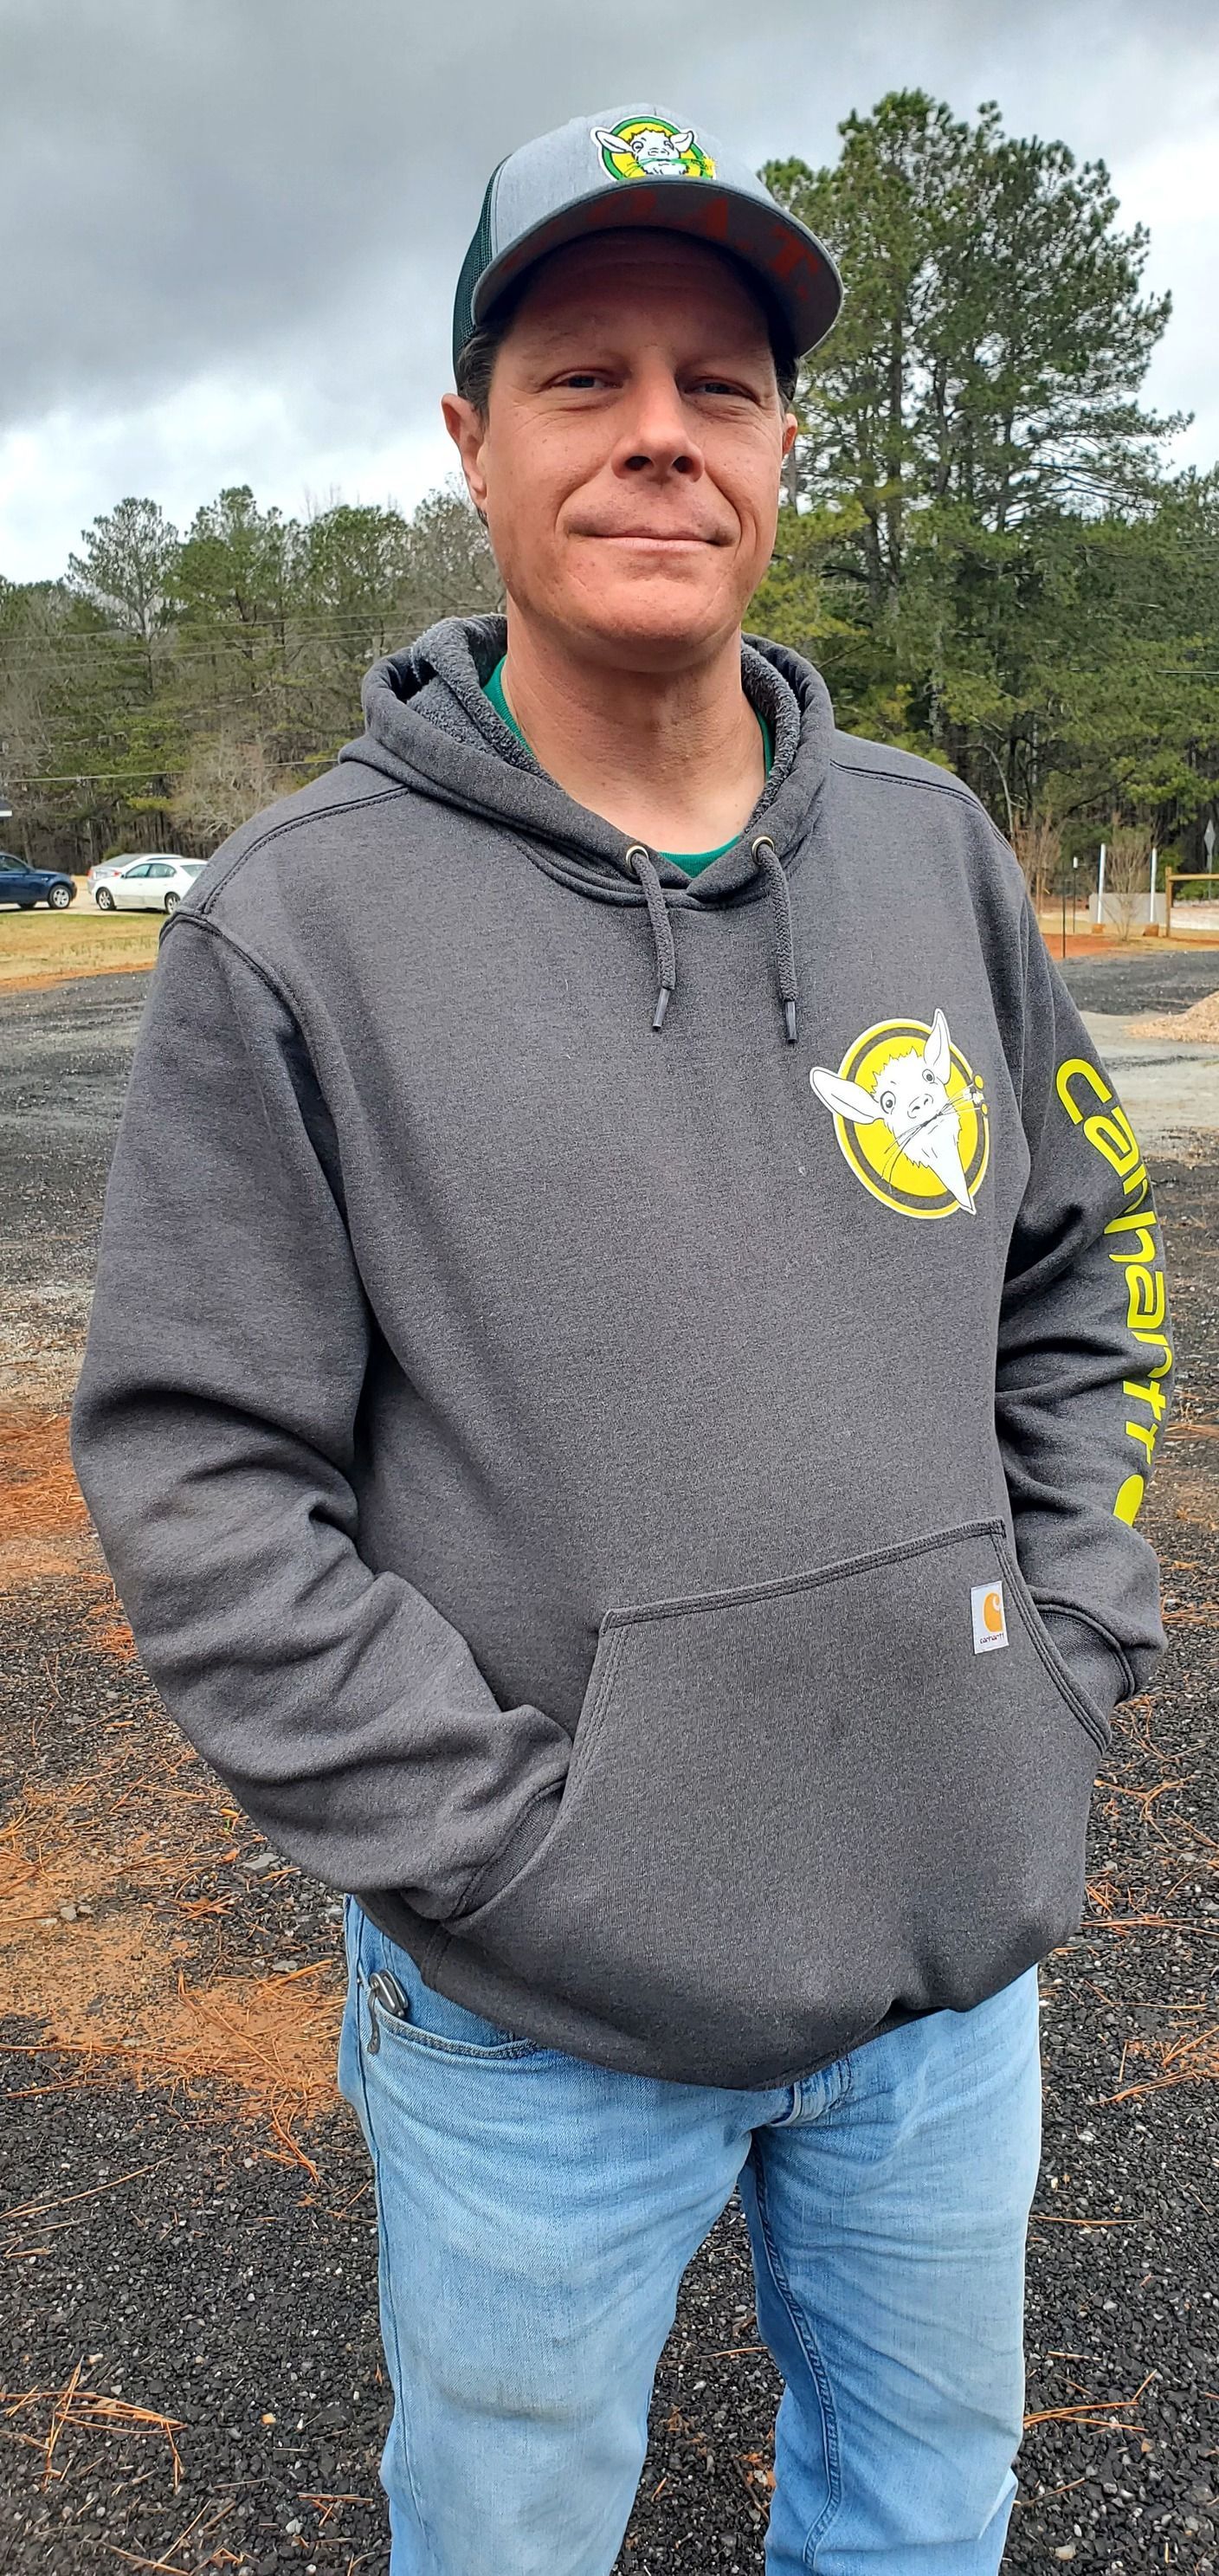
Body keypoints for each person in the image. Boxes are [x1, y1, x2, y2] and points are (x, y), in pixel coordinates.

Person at [70, 101, 1173, 2576]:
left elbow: (1083, 1276)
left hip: (940, 1972)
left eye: (722, 382)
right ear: (474, 442)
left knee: (921, 2515)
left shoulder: (929, 851)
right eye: (585, 377)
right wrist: (512, 1857)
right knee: (509, 2537)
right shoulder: (296, 923)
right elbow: (205, 1474)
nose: (662, 430)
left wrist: (1065, 1661)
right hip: (539, 2022)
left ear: (783, 449)